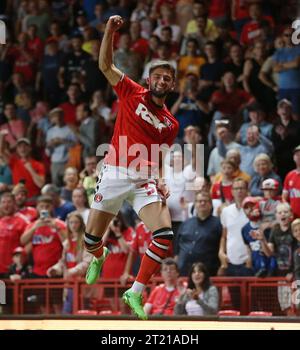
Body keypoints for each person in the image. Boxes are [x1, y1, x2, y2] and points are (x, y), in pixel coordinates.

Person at [84, 16, 179, 320]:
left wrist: (161, 180)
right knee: (90, 240)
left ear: (172, 85)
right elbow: (105, 67)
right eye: (158, 76)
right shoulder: (131, 91)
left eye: (168, 78)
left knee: (164, 236)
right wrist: (109, 32)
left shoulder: (171, 123)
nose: (162, 81)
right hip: (114, 174)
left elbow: (161, 153)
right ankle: (99, 255)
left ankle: (134, 292)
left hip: (143, 182)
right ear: (149, 79)